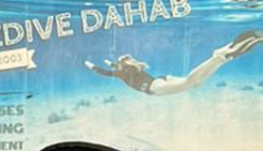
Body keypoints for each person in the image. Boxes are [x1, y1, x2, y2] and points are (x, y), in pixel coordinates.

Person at [84, 29, 262, 95]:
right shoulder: (130, 69)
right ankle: (221, 60)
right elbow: (112, 67)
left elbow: (106, 72)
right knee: (196, 84)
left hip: (156, 87)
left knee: (190, 82)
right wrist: (108, 62)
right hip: (159, 81)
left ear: (122, 65)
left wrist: (89, 64)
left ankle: (217, 57)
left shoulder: (123, 73)